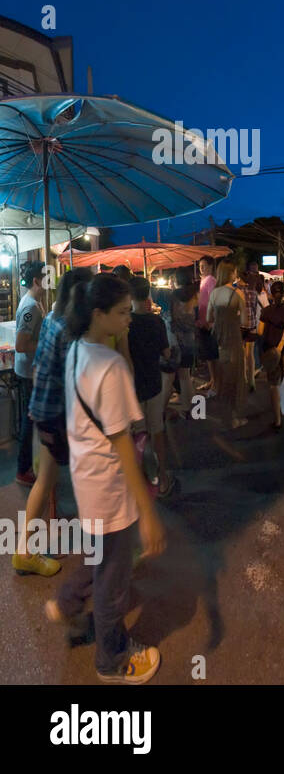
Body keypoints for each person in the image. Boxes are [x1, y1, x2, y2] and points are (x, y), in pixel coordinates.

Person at [46, 274, 165, 684]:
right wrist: (147, 512)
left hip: (85, 478)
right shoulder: (110, 367)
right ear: (98, 314)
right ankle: (112, 660)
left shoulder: (78, 350)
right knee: (113, 583)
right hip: (110, 487)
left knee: (98, 555)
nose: (129, 319)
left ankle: (66, 602)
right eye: (121, 313)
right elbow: (123, 446)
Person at [13, 268, 94, 577]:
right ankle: (106, 552)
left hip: (43, 408)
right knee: (89, 478)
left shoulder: (51, 319)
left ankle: (24, 552)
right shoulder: (69, 330)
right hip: (59, 414)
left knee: (47, 480)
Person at [127, 277, 175, 498]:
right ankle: (163, 478)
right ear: (147, 294)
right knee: (157, 433)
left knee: (137, 438)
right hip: (154, 385)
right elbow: (166, 354)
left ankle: (138, 485)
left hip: (133, 389)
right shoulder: (156, 322)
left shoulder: (125, 324)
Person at [13, 260, 48, 486]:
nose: (49, 282)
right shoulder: (31, 308)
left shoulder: (36, 302)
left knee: (30, 420)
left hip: (29, 370)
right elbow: (21, 344)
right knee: (28, 422)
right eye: (46, 278)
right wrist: (46, 342)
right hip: (27, 373)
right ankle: (23, 470)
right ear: (36, 280)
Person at [208, 261, 248, 429]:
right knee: (236, 376)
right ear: (230, 274)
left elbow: (209, 318)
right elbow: (245, 321)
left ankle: (224, 415)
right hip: (234, 338)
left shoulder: (214, 293)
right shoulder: (237, 293)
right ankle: (234, 418)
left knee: (223, 376)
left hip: (219, 340)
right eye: (234, 273)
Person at [257, 280, 284, 431]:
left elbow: (260, 332)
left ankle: (277, 420)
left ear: (270, 294)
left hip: (270, 351)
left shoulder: (265, 312)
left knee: (273, 385)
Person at [166, 270, 199, 419]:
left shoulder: (174, 295)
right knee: (186, 375)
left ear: (177, 280)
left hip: (177, 339)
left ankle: (165, 409)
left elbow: (173, 317)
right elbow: (196, 314)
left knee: (172, 376)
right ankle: (190, 408)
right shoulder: (194, 294)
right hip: (190, 337)